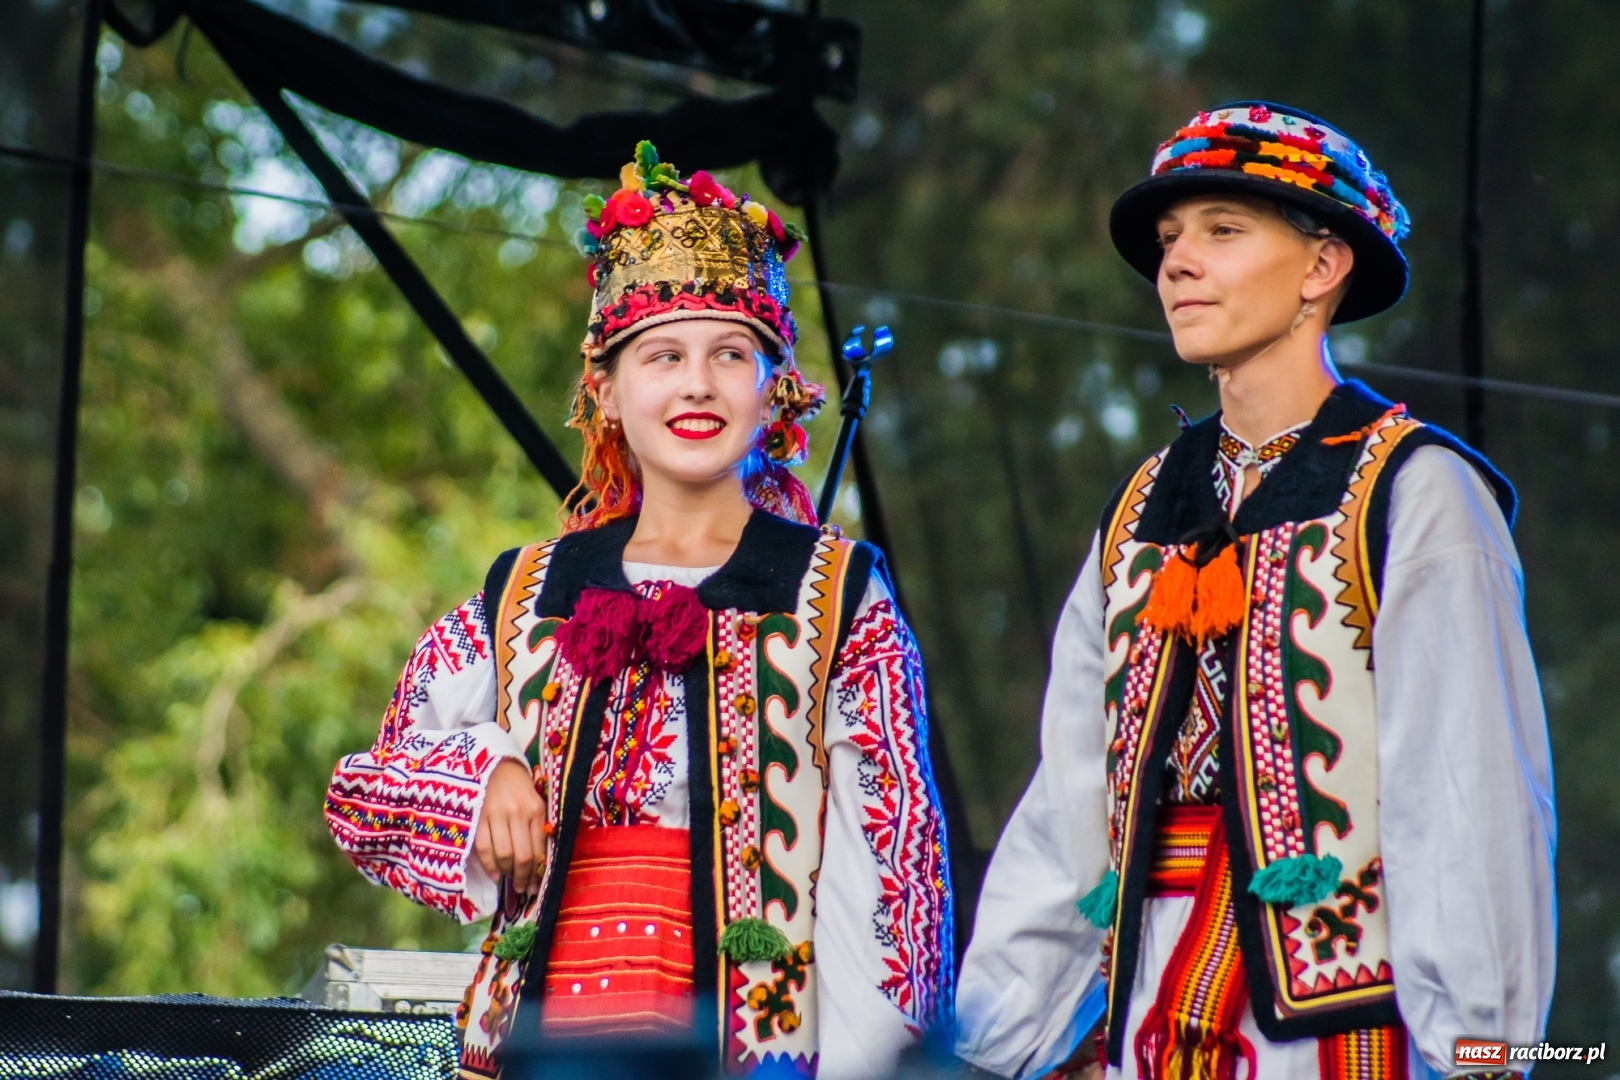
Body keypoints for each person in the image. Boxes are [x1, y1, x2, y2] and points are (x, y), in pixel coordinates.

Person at [326, 142, 953, 1079]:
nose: (697, 383)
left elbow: (895, 875)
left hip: (750, 1040)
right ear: (609, 393)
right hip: (535, 1041)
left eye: (729, 354)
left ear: (772, 388)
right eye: (663, 356)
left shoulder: (838, 595)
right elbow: (364, 791)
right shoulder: (526, 589)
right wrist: (486, 773)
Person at [954, 103, 1555, 1080]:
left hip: (1338, 1038)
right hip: (1146, 1025)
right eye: (1168, 241)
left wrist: (1486, 1056)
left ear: (1323, 268)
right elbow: (1069, 811)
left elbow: (1470, 808)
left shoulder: (1416, 492)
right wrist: (984, 1052)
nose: (1178, 264)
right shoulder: (1142, 507)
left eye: (1222, 232)